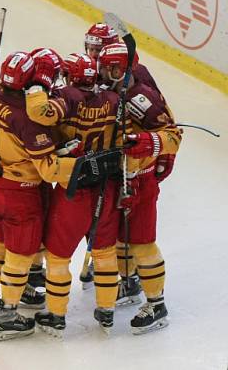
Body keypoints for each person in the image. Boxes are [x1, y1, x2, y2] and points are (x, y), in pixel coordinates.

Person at [0, 51, 119, 341]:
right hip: (21, 195)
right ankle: (7, 315)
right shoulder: (29, 120)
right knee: (19, 255)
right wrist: (83, 163)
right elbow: (48, 171)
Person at [24, 51, 123, 336]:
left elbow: (39, 113)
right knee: (104, 252)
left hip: (73, 190)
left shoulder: (66, 98)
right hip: (104, 186)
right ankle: (107, 310)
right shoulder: (113, 100)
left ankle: (55, 315)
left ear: (70, 76)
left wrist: (37, 88)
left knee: (57, 257)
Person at [98, 39, 182, 335]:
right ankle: (129, 283)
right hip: (114, 178)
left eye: (112, 68)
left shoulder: (142, 98)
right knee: (121, 239)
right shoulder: (105, 90)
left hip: (140, 181)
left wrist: (148, 143)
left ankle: (157, 304)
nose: (105, 73)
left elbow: (172, 135)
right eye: (103, 67)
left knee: (142, 243)